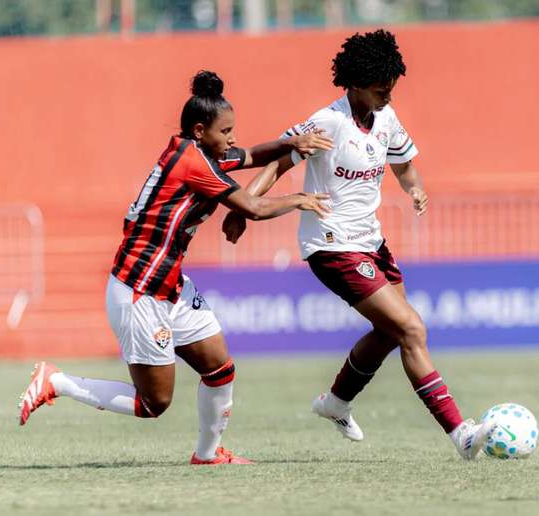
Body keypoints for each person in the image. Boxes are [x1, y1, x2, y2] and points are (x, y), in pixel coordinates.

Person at [17, 70, 334, 465]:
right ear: (200, 131)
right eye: (226, 130)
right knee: (155, 403)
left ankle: (207, 454)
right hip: (139, 290)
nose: (232, 138)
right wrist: (300, 198)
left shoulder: (201, 152)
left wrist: (294, 145)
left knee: (219, 367)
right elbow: (251, 207)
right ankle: (57, 382)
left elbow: (250, 155)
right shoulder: (191, 163)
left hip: (169, 284)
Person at [221, 29, 496, 460]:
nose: (387, 95)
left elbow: (405, 165)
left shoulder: (386, 117)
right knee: (412, 328)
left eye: (391, 88)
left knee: (390, 334)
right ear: (353, 84)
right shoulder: (328, 122)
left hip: (372, 241)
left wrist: (415, 189)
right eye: (379, 89)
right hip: (331, 244)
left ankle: (336, 402)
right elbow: (278, 162)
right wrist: (243, 208)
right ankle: (461, 433)